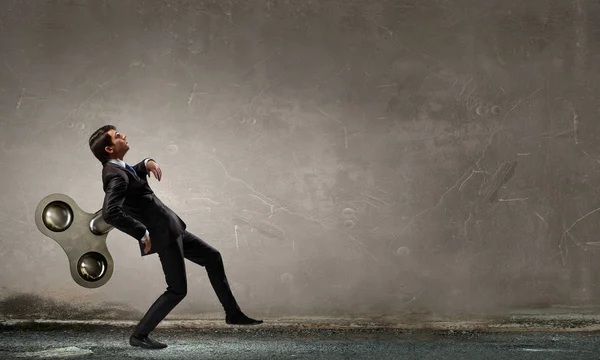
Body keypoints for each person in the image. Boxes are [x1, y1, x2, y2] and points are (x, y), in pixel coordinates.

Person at [88, 125, 262, 350]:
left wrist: (147, 162)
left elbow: (134, 173)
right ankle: (140, 335)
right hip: (163, 236)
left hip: (172, 229)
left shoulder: (119, 167)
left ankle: (233, 314)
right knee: (177, 289)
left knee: (212, 257)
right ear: (110, 149)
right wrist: (141, 232)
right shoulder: (114, 176)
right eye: (117, 135)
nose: (123, 135)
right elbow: (111, 212)